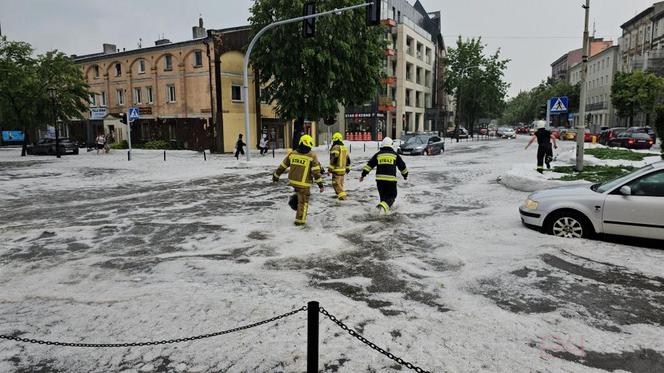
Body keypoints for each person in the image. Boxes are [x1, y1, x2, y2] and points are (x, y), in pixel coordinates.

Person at [272, 134, 325, 226]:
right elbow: (316, 172)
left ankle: (295, 201)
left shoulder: (293, 154)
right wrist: (320, 185)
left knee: (299, 195)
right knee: (303, 203)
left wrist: (276, 176)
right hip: (304, 184)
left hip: (293, 182)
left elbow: (282, 166)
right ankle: (300, 222)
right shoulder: (312, 155)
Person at [360, 137, 408, 214]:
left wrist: (363, 175)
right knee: (392, 196)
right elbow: (402, 166)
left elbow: (369, 165)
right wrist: (405, 175)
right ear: (391, 145)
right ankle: (382, 208)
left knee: (383, 197)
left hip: (380, 181)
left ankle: (381, 211)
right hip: (391, 181)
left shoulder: (378, 155)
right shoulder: (394, 155)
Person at [328, 132, 351, 200]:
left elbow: (334, 158)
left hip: (336, 170)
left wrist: (330, 169)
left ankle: (343, 198)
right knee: (340, 185)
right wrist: (347, 168)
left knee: (336, 185)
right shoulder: (344, 148)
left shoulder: (335, 147)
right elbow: (348, 159)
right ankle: (340, 197)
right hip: (342, 171)